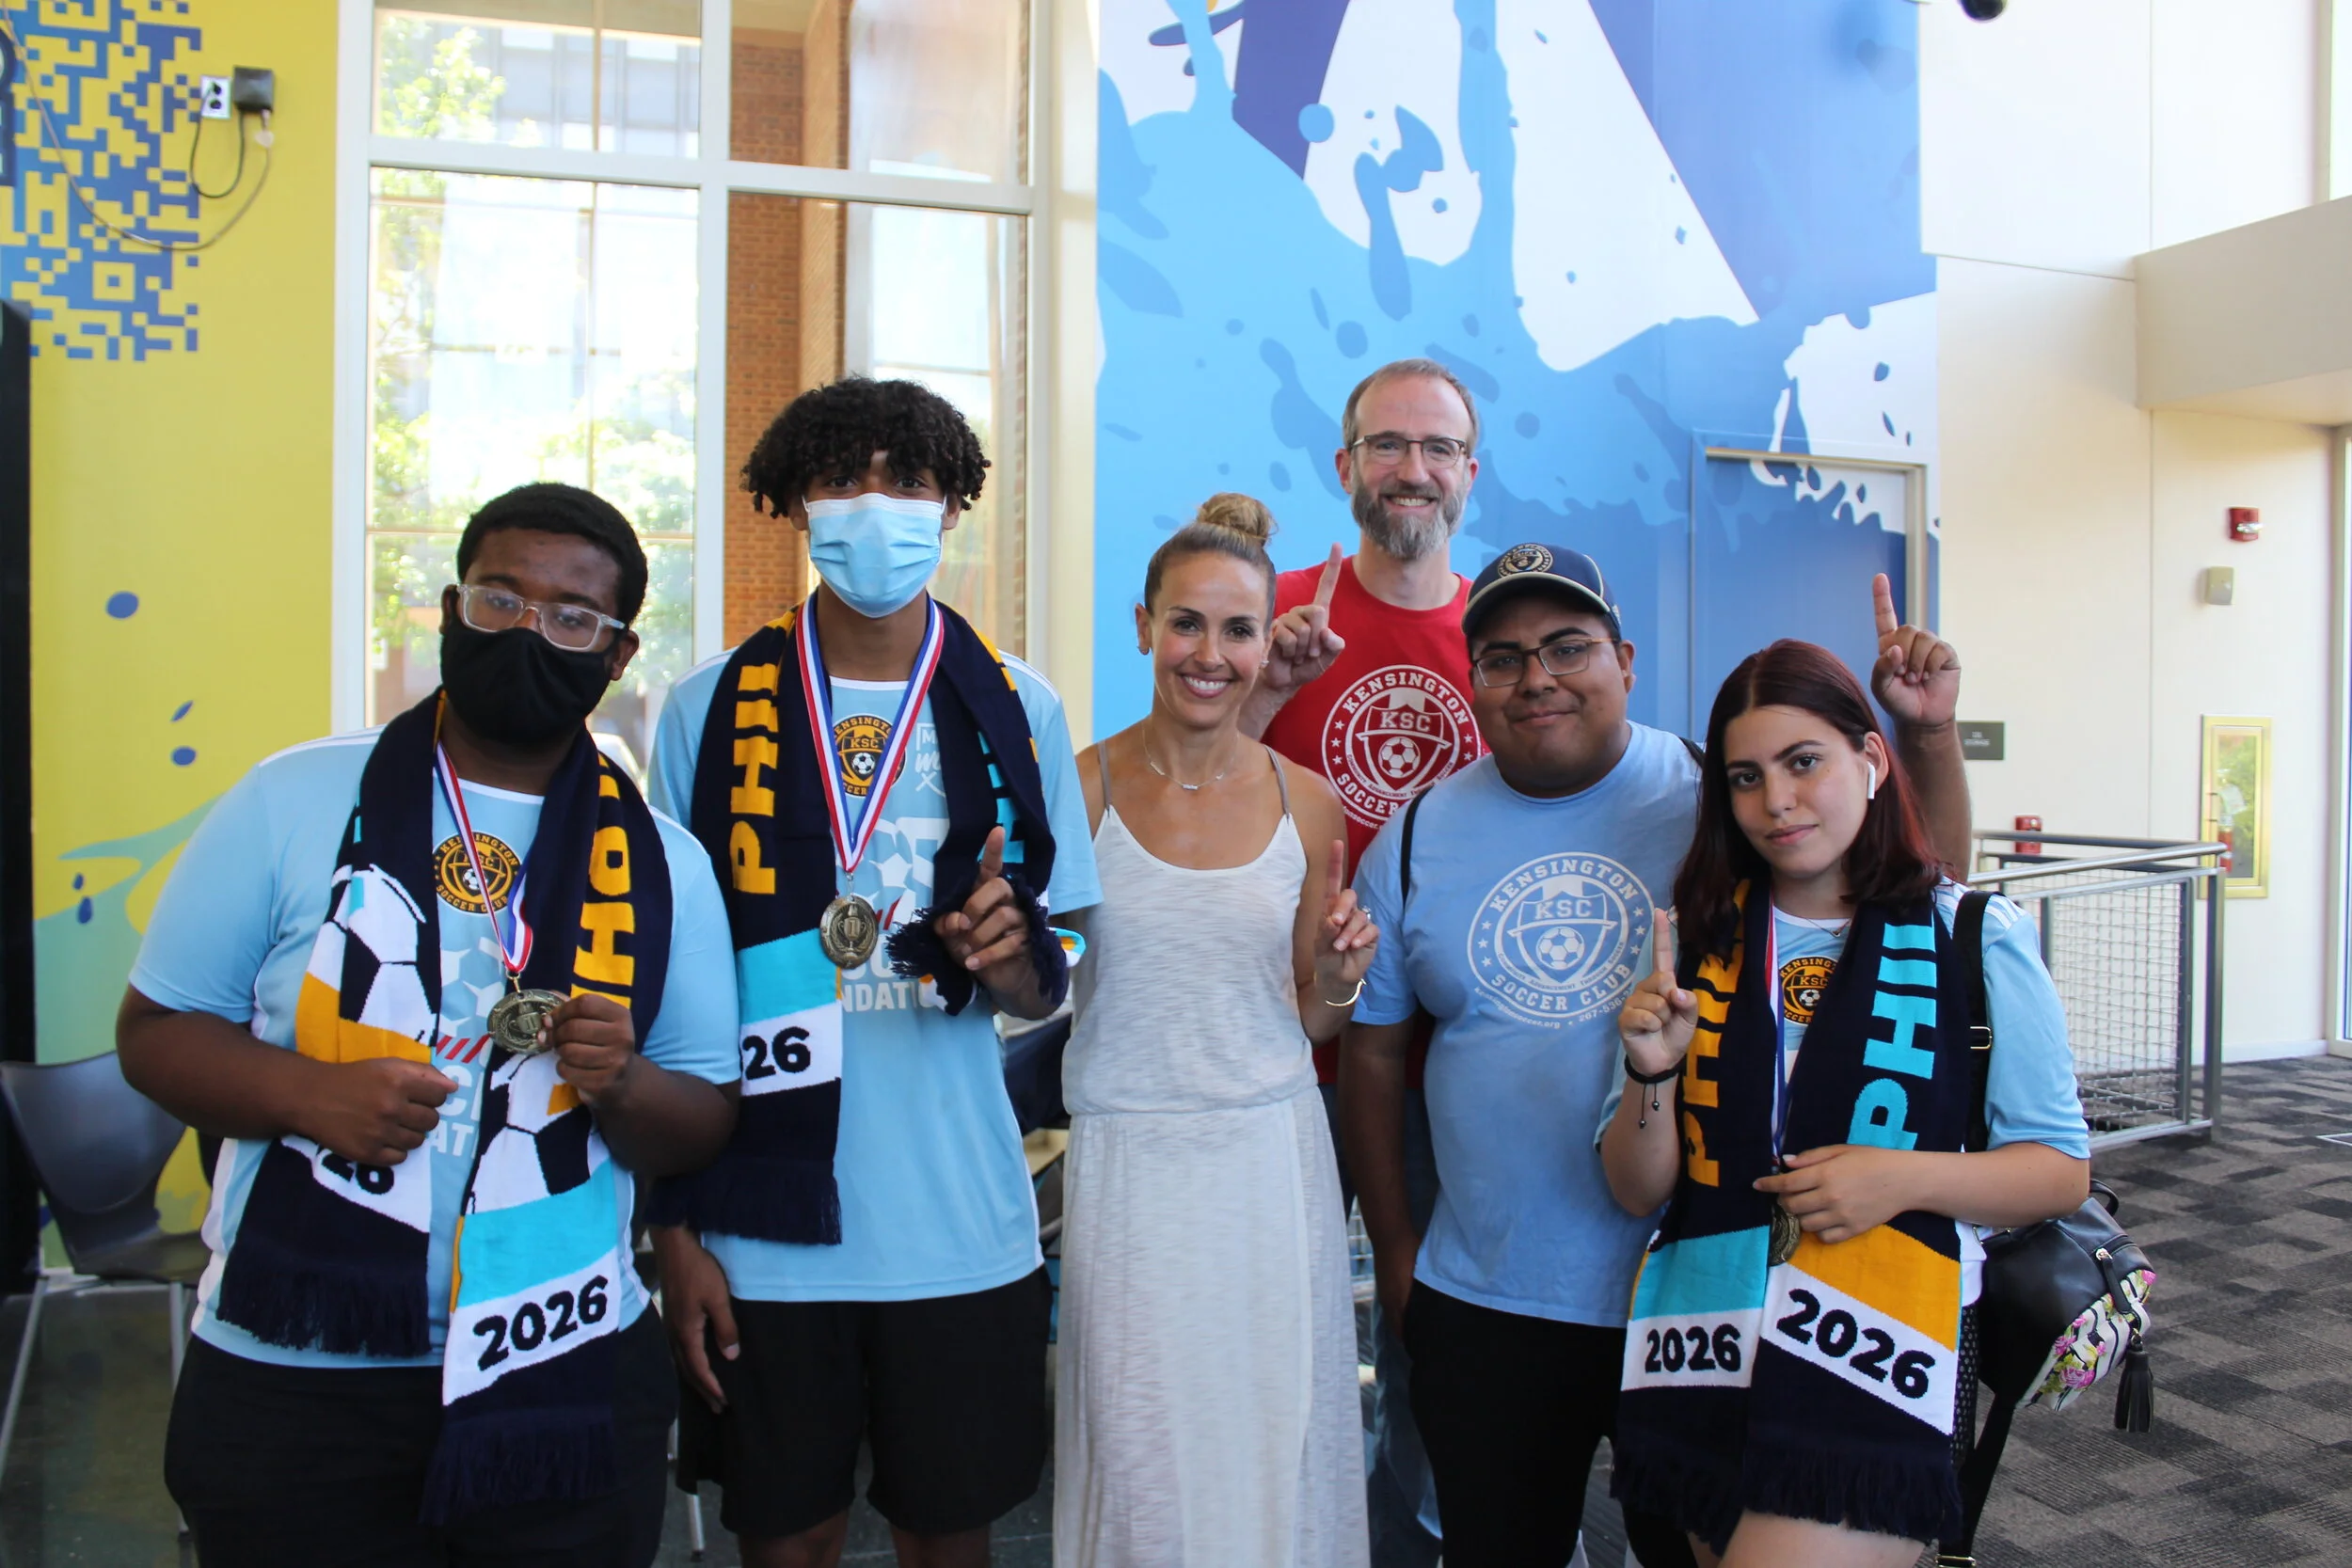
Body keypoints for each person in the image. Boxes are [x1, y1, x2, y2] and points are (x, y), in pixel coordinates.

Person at [119, 483, 743, 1567]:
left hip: (563, 1360)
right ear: (453, 609)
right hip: (298, 1370)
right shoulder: (291, 797)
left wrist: (623, 1081)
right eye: (501, 598)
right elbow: (156, 1031)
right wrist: (307, 1094)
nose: (528, 632)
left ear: (616, 653)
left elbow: (701, 1120)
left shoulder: (665, 861)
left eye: (571, 617)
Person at [1342, 541, 1971, 1568]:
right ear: (1473, 681)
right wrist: (1399, 1248)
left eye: (1567, 646)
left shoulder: (1717, 794)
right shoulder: (1413, 840)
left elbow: (1911, 904)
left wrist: (1928, 737)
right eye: (1502, 657)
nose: (1537, 677)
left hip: (1699, 1292)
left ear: (1625, 661)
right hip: (1490, 1299)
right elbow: (1372, 1056)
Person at [644, 376, 1100, 1568]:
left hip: (958, 1217)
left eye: (907, 479)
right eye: (843, 477)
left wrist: (1017, 957)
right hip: (762, 1227)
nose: (875, 503)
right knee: (783, 1534)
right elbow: (670, 991)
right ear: (797, 501)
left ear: (949, 505)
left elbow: (1060, 966)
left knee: (948, 1532)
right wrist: (675, 1230)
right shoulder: (706, 707)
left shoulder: (1018, 705)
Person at [1600, 640, 2090, 1568]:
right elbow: (1636, 1188)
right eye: (1746, 777)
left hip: (1875, 1355)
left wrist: (1896, 1178)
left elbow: (2059, 1170)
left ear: (1869, 759)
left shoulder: (1970, 934)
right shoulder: (1696, 942)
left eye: (1803, 761)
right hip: (1706, 1350)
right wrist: (1651, 1073)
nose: (1776, 801)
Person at [1055, 493, 1375, 1568]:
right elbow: (1032, 979)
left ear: (1264, 643)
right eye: (1185, 623)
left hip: (1269, 1162)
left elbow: (1310, 1011)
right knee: (1140, 1468)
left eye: (1238, 629)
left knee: (1275, 1452)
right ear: (1143, 625)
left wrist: (1339, 981)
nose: (1209, 653)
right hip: (1131, 1160)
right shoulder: (1081, 789)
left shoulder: (1308, 802)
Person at [1245, 356, 1490, 1566]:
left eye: (1436, 447)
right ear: (1344, 464)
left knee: (1431, 1340)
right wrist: (1261, 689)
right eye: (1387, 444)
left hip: (1447, 1065)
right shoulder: (1273, 612)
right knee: (1265, 1341)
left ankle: (1419, 1537)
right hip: (1282, 1048)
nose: (1412, 468)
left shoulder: (1504, 637)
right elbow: (1172, 780)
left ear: (1469, 473)